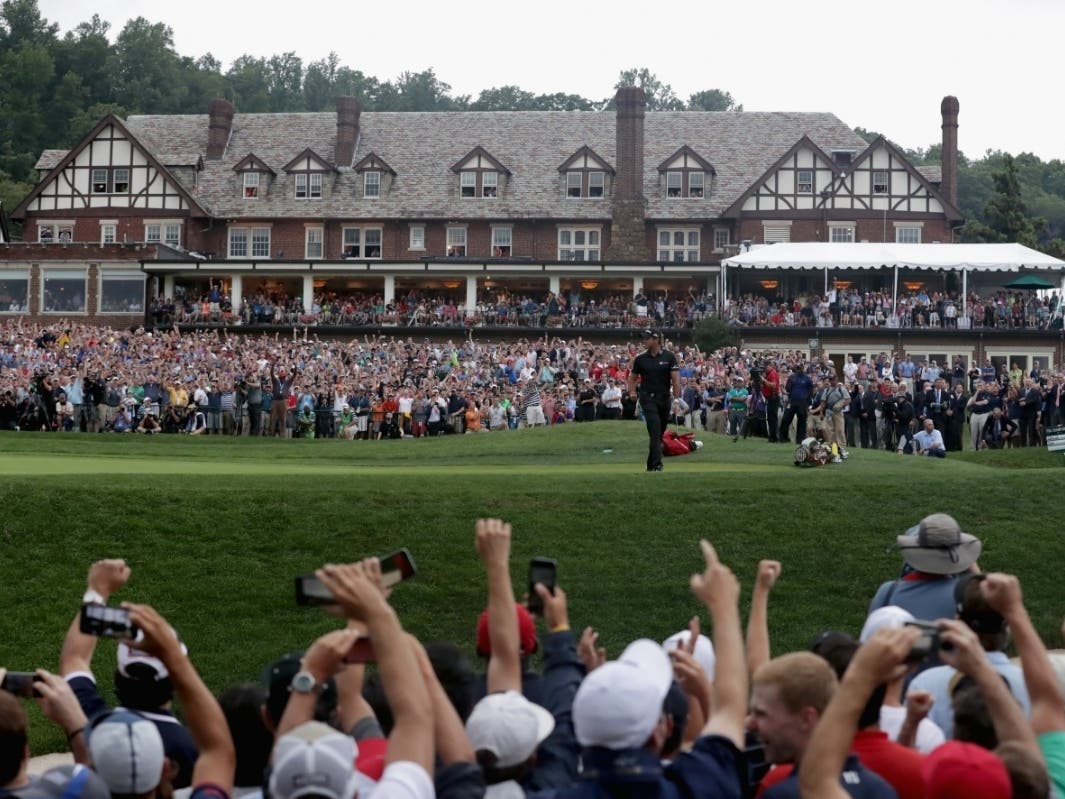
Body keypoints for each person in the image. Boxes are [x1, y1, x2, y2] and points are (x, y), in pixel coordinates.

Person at [868, 513, 982, 621]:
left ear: (916, 550)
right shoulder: (967, 597)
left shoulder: (888, 592)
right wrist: (975, 572)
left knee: (914, 531)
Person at [627, 330, 680, 472]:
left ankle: (650, 465)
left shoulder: (669, 357)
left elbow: (675, 380)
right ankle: (657, 465)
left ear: (656, 340)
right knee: (655, 431)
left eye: (646, 338)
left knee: (658, 434)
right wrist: (632, 392)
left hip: (664, 399)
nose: (644, 341)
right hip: (647, 399)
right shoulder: (640, 359)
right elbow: (632, 378)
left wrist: (676, 400)